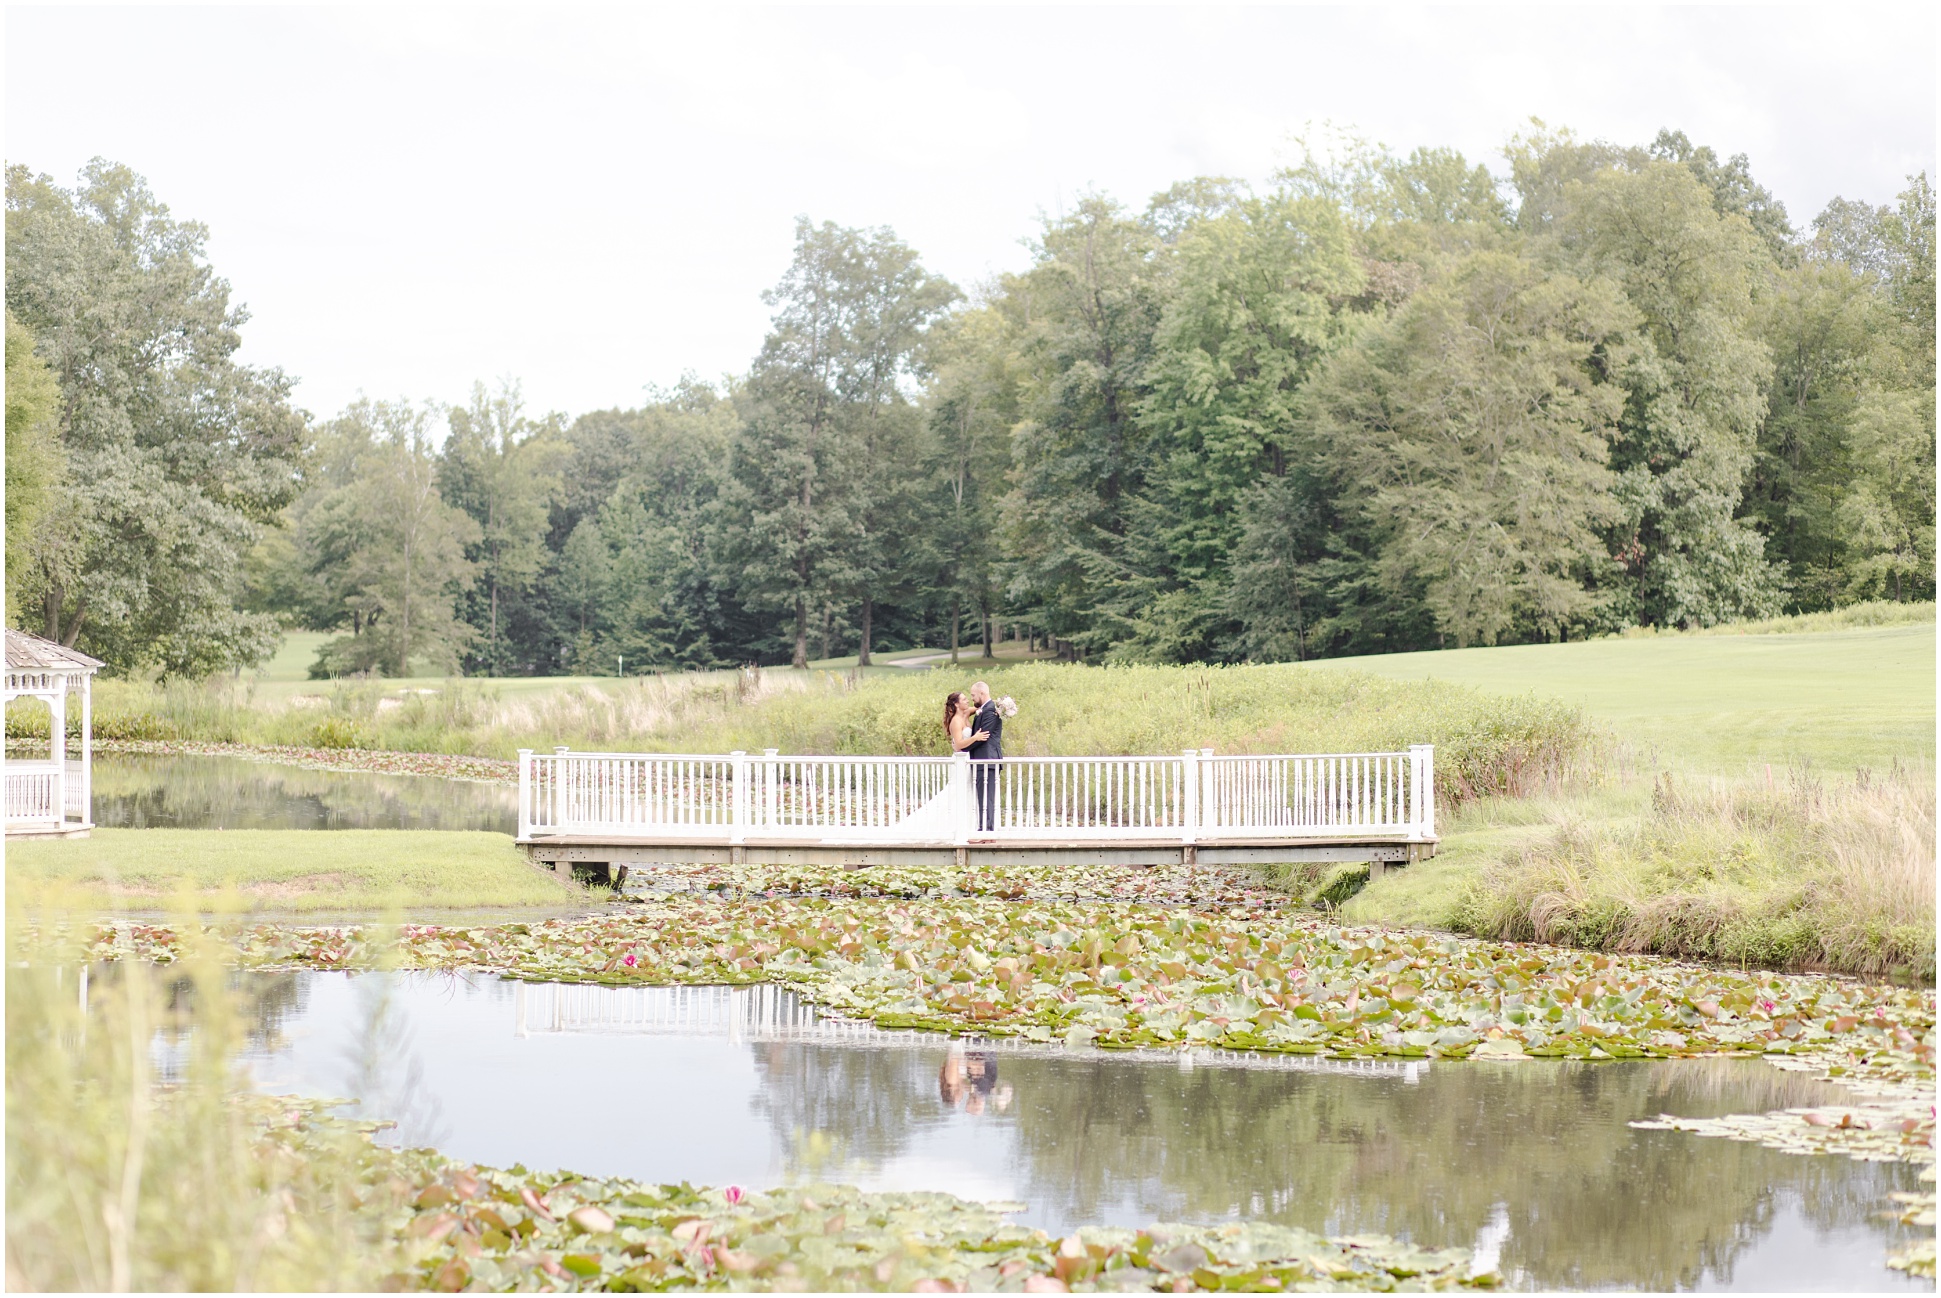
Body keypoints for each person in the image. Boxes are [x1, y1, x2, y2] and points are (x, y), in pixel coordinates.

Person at [966, 680, 1003, 835]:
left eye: (973, 695)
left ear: (982, 693)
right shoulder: (983, 709)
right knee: (983, 797)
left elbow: (983, 736)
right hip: (981, 760)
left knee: (986, 798)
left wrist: (963, 747)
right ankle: (984, 829)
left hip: (987, 760)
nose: (972, 698)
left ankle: (987, 831)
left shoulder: (990, 711)